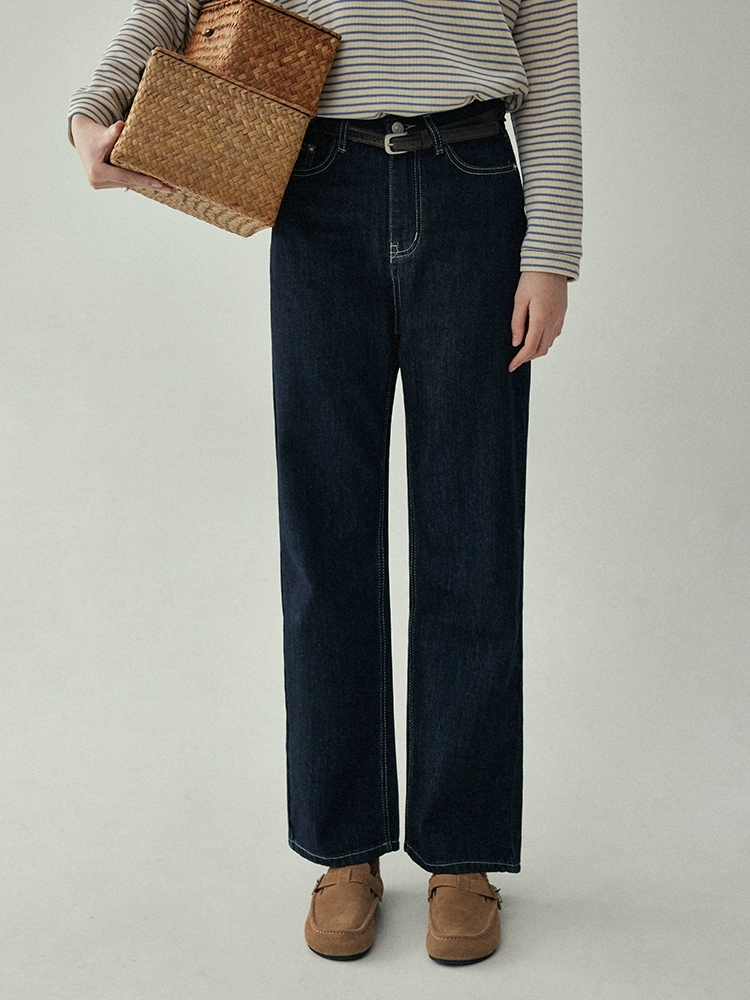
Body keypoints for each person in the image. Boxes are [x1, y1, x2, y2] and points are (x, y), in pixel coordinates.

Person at [69, 0, 582, 966]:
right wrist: (94, 106)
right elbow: (173, 4)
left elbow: (550, 66)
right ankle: (345, 848)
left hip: (475, 185)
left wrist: (551, 252)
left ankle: (461, 853)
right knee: (325, 537)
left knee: (472, 532)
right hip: (316, 185)